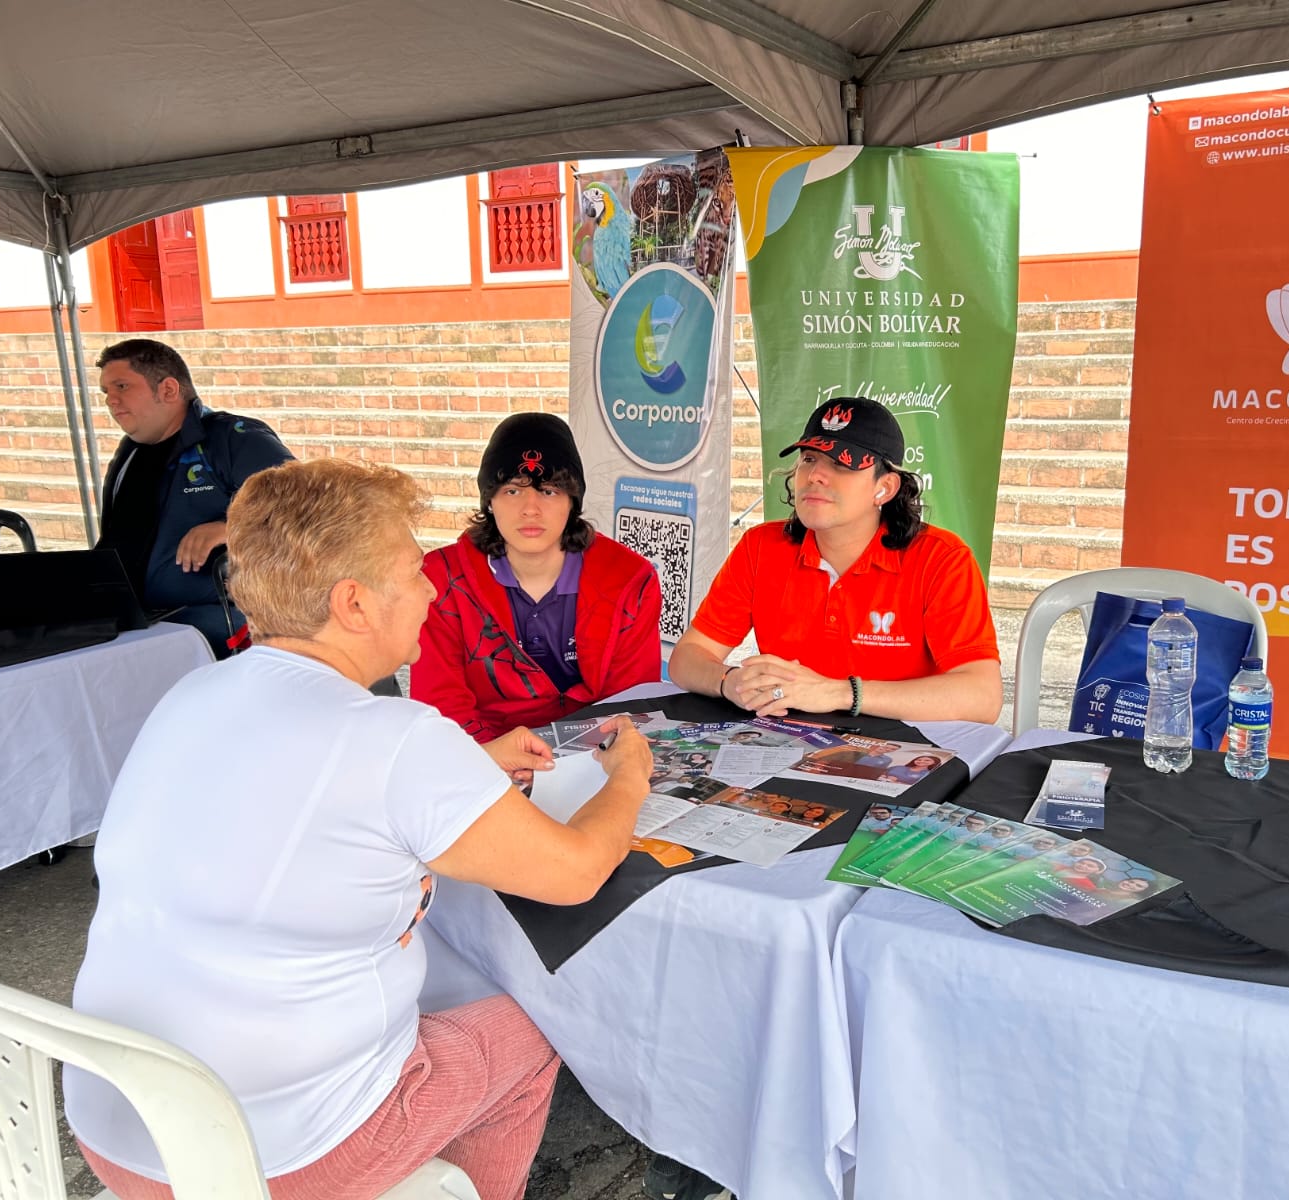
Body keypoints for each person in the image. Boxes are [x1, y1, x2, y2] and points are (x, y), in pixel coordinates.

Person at [63, 458, 654, 1200]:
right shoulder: (397, 737)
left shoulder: (197, 689)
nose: (433, 588)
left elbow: (310, 790)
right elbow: (574, 873)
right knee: (535, 1028)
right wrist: (627, 778)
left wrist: (468, 764)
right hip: (271, 1157)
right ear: (354, 603)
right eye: (412, 571)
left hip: (117, 1127)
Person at [669, 396, 1002, 724]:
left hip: (902, 754)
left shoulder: (941, 559)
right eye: (809, 459)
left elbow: (983, 697)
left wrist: (841, 693)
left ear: (884, 488)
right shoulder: (760, 546)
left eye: (841, 464)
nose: (815, 476)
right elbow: (687, 658)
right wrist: (728, 682)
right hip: (784, 743)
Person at [413, 412, 662, 741]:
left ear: (572, 502)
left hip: (595, 753)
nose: (531, 508)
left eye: (549, 491)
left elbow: (630, 704)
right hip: (482, 756)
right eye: (513, 491)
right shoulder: (439, 580)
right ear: (490, 501)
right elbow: (441, 706)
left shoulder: (630, 579)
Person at [95, 338, 293, 655]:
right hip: (134, 622)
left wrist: (230, 528)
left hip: (222, 623)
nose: (111, 401)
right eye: (106, 392)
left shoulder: (234, 438)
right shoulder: (129, 453)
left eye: (122, 386)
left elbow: (310, 513)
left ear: (169, 390)